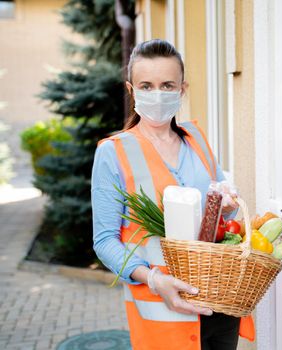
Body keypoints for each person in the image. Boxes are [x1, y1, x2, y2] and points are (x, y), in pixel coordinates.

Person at [91, 39, 255, 350]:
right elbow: (104, 240)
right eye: (146, 85)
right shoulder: (113, 152)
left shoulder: (197, 140)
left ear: (182, 89)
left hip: (219, 304)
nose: (157, 94)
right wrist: (152, 279)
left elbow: (222, 212)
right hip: (163, 308)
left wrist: (229, 206)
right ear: (131, 90)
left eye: (167, 85)